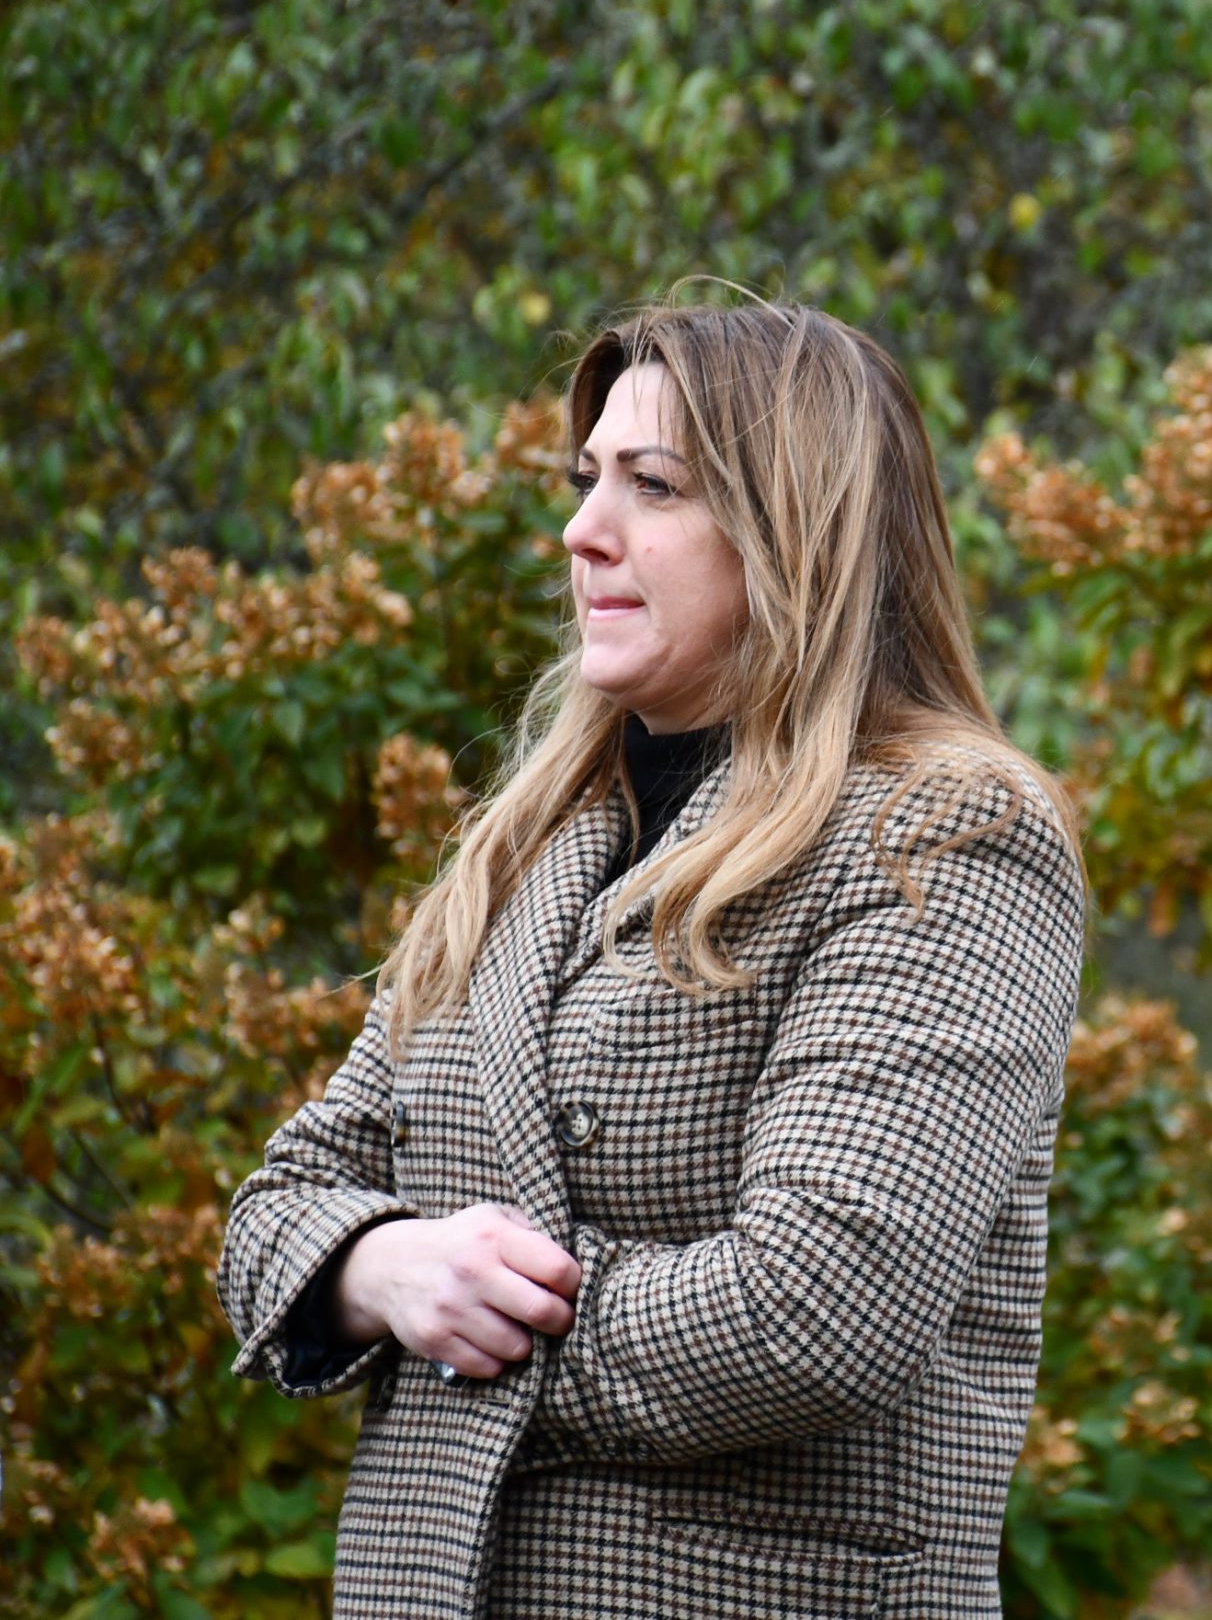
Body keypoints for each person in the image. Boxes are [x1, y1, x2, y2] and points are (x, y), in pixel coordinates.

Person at [217, 295, 1085, 1619]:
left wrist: (467, 1339)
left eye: (654, 486)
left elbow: (818, 1305)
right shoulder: (527, 845)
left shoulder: (944, 832)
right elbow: (283, 1201)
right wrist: (383, 1268)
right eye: (586, 482)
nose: (584, 531)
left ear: (798, 528)